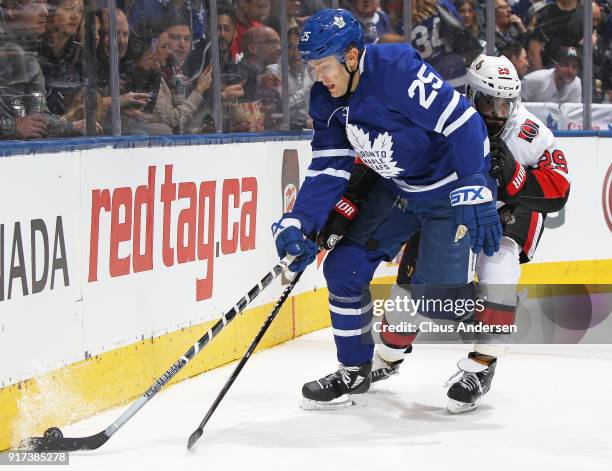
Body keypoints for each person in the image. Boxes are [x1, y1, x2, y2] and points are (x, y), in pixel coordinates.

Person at [270, 9, 502, 409]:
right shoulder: (326, 98)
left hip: (446, 194)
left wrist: (474, 183)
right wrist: (298, 221)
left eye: (325, 66)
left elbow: (464, 123)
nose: (320, 77)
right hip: (398, 191)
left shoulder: (396, 71)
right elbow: (329, 166)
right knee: (342, 268)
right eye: (312, 67)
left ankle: (485, 357)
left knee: (436, 300)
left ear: (353, 57)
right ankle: (354, 370)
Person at [358, 55, 570, 413]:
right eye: (490, 101)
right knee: (411, 296)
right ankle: (388, 354)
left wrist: (516, 178)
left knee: (500, 264)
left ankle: (483, 364)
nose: (498, 112)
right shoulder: (438, 112)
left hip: (506, 210)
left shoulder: (530, 133)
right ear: (470, 92)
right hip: (445, 208)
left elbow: (560, 189)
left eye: (506, 103)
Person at [0, 0, 88, 139]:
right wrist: (12, 127)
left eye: (45, 4)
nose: (45, 11)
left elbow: (38, 115)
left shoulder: (26, 56)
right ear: (11, 11)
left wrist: (71, 126)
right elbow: (27, 121)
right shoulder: (13, 53)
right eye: (36, 4)